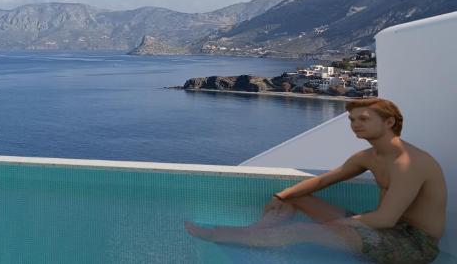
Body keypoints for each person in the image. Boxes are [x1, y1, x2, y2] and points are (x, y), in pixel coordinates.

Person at [185, 98, 445, 264]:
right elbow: (322, 181)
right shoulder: (368, 156)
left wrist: (335, 226)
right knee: (295, 196)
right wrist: (281, 196)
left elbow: (386, 219)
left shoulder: (409, 163)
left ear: (389, 122)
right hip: (382, 229)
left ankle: (219, 235)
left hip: (412, 246)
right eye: (352, 120)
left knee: (302, 231)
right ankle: (259, 230)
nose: (355, 125)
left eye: (363, 119)